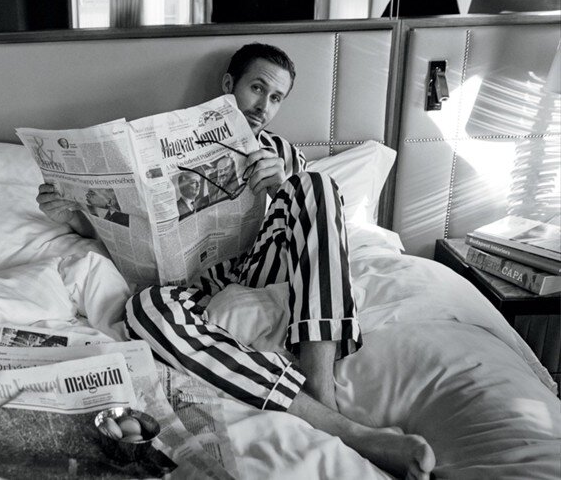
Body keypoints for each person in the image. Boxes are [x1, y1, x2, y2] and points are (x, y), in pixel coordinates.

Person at [37, 43, 435, 479]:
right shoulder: (157, 151)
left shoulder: (280, 153)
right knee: (141, 310)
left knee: (315, 185)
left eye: (276, 97)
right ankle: (323, 415)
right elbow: (119, 229)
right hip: (186, 290)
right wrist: (72, 217)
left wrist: (280, 187)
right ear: (229, 85)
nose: (264, 106)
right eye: (257, 88)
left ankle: (323, 395)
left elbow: (306, 221)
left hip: (255, 269)